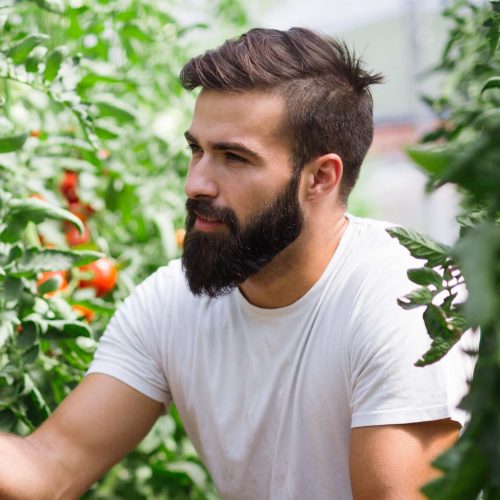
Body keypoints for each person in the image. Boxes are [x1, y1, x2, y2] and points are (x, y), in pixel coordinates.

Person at [0, 27, 474, 500]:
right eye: (196, 150)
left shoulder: (409, 303)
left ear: (321, 177)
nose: (196, 183)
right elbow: (50, 468)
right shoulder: (171, 305)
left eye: (233, 157)